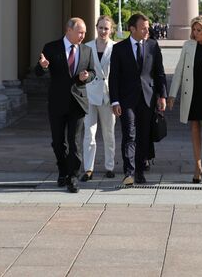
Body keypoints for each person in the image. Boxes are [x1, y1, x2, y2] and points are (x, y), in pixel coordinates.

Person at [35, 17, 95, 193]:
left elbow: (92, 72)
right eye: (80, 32)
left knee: (74, 142)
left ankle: (73, 176)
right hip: (57, 102)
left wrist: (87, 77)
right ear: (68, 30)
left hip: (78, 102)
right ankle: (63, 171)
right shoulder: (51, 48)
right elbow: (38, 71)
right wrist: (43, 66)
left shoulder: (86, 50)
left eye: (84, 32)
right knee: (58, 142)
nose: (83, 36)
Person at [109, 13, 167, 186]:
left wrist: (162, 95)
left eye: (147, 27)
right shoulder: (119, 48)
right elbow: (114, 77)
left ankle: (140, 171)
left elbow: (159, 72)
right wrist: (115, 101)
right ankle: (129, 172)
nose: (146, 30)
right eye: (143, 27)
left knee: (143, 135)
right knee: (129, 134)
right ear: (132, 29)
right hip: (126, 100)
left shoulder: (152, 46)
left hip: (147, 98)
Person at [167, 15, 202, 183]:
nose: (195, 33)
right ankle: (197, 165)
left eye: (199, 30)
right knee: (194, 127)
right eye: (194, 29)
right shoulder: (188, 46)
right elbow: (179, 71)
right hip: (191, 91)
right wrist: (172, 94)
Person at [81, 15, 116, 181]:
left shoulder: (116, 48)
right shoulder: (86, 47)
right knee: (89, 133)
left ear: (111, 30)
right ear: (96, 28)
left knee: (109, 133)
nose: (103, 31)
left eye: (106, 28)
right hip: (89, 94)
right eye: (100, 27)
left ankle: (109, 166)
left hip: (108, 96)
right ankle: (88, 168)